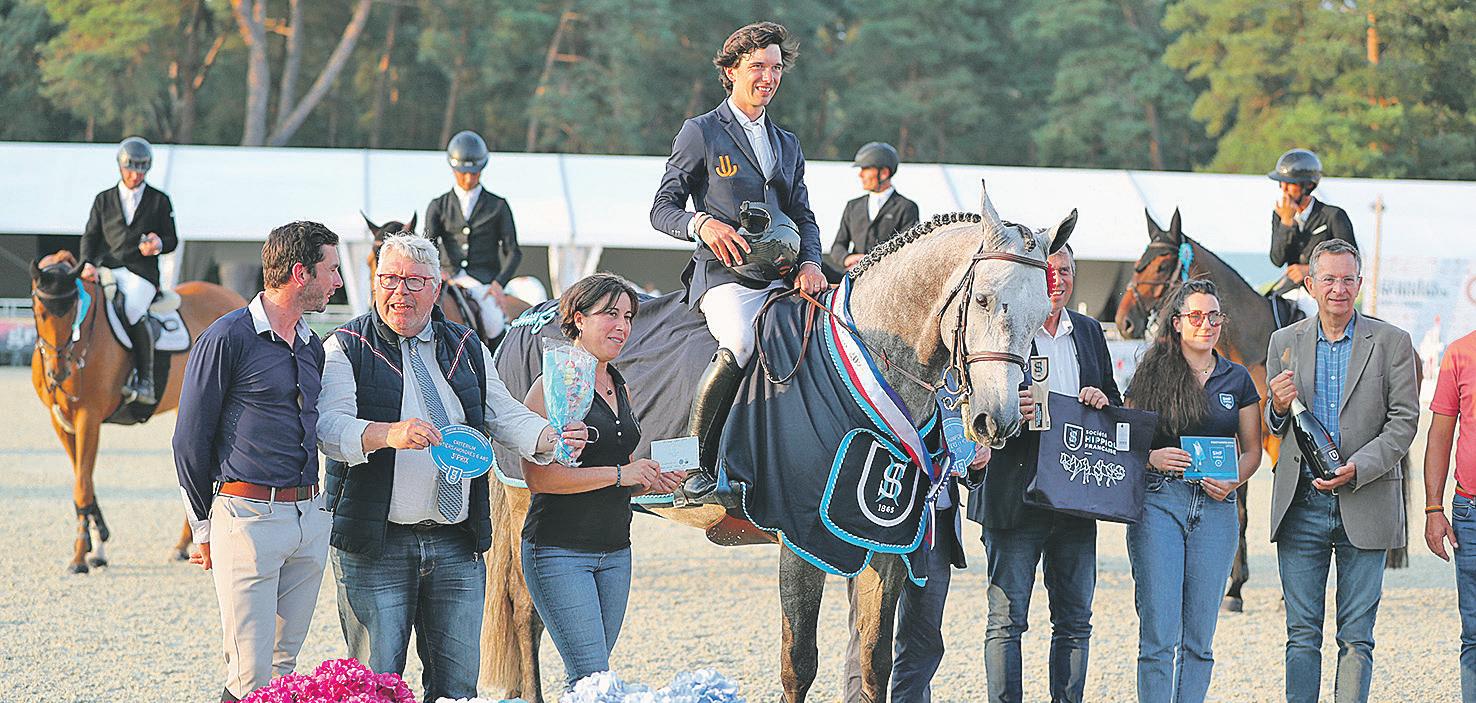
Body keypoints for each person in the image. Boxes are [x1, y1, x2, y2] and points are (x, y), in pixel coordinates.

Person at [316, 233, 585, 702]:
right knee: (376, 686)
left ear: (436, 288)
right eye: (389, 279)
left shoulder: (466, 344)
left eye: (414, 282)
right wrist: (387, 434)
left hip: (456, 543)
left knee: (458, 690)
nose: (400, 292)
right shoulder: (345, 346)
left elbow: (503, 411)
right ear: (375, 282)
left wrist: (549, 437)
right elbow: (329, 426)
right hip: (376, 544)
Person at [650, 21, 825, 505]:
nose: (769, 77)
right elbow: (661, 208)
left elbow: (803, 215)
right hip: (724, 275)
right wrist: (701, 223)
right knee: (742, 341)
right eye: (757, 67)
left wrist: (812, 263)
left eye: (776, 68)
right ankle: (692, 466)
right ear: (731, 71)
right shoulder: (700, 132)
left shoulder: (787, 142)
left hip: (783, 276)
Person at [173, 221, 343, 702]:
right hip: (247, 519)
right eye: (331, 270)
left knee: (283, 669)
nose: (338, 281)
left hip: (308, 517)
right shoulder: (225, 338)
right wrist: (203, 529)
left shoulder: (312, 345)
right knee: (249, 675)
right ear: (300, 273)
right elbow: (189, 440)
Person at [1265, 238, 1419, 703]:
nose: (1339, 289)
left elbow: (1404, 422)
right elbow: (1274, 424)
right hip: (1301, 505)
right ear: (1311, 285)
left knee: (1357, 637)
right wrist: (1276, 406)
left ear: (1360, 283)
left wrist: (1358, 467)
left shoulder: (1392, 342)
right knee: (1301, 634)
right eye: (1328, 279)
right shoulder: (1283, 343)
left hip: (1366, 498)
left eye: (1348, 279)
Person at [966, 243, 1121, 703]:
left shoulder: (1089, 331)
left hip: (1075, 499)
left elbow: (1114, 402)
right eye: (1049, 270)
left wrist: (1102, 403)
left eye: (1066, 270)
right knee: (1006, 621)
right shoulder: (1002, 323)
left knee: (1075, 621)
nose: (1058, 278)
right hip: (1013, 497)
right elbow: (970, 401)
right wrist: (1008, 407)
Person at [518, 273, 685, 688]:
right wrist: (622, 474)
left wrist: (650, 479)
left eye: (628, 316)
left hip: (615, 553)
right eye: (610, 314)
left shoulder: (619, 386)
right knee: (591, 676)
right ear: (578, 319)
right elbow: (538, 477)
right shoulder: (551, 385)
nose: (622, 326)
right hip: (559, 551)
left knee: (593, 680)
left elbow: (620, 469)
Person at [1123, 279, 1263, 703]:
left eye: (1214, 316)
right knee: (1158, 637)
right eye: (1197, 316)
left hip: (1217, 510)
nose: (1207, 324)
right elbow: (1125, 439)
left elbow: (1253, 451)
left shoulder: (1237, 378)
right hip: (1160, 503)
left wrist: (1234, 480)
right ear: (1178, 322)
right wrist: (1152, 457)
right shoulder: (1152, 372)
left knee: (1200, 641)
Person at [81, 136, 180, 405]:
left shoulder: (159, 200)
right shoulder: (103, 199)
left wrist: (158, 244)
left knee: (133, 309)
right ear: (120, 166)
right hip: (108, 268)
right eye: (131, 170)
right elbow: (90, 236)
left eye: (141, 170)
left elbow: (172, 240)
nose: (136, 176)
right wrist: (87, 263)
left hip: (142, 273)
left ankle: (145, 381)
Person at [424, 129, 522, 336]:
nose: (468, 179)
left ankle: (495, 356)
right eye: (463, 173)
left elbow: (513, 252)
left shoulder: (498, 205)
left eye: (474, 173)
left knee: (493, 323)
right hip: (447, 279)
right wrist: (438, 270)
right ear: (453, 170)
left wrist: (498, 283)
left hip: (483, 282)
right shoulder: (438, 206)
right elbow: (427, 246)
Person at [1423, 327, 1476, 701]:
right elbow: (1439, 435)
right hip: (1470, 511)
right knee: (1474, 632)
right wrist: (1433, 508)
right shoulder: (1460, 353)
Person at [1268, 148, 1357, 319]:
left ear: (1308, 185)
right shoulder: (1280, 215)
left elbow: (1350, 261)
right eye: (1281, 183)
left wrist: (1310, 270)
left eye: (1290, 184)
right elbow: (1277, 259)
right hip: (1289, 290)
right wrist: (1286, 223)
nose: (1284, 189)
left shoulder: (1333, 216)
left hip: (1323, 294)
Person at [828, 141, 921, 271]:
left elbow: (908, 250)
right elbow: (838, 246)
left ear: (884, 173)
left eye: (865, 169)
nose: (860, 175)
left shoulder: (906, 207)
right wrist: (847, 258)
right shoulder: (853, 206)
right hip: (854, 275)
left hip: (887, 276)